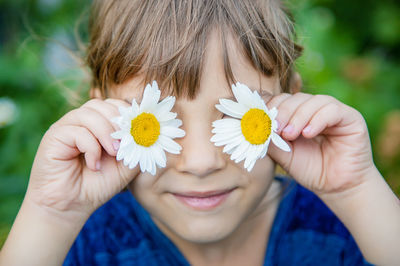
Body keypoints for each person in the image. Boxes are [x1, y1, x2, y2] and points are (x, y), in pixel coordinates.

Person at [1, 0, 400, 265]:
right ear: (102, 115)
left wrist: (357, 192)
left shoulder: (340, 233)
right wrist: (51, 216)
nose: (201, 162)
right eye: (152, 125)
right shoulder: (82, 246)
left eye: (236, 117)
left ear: (289, 103)